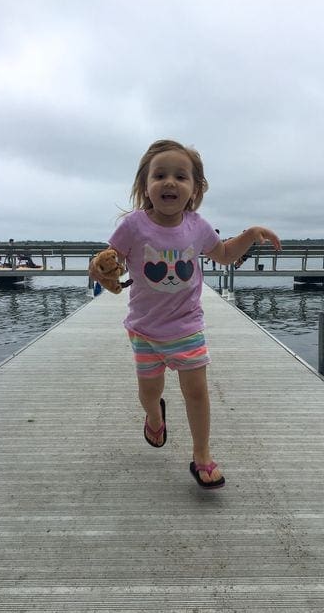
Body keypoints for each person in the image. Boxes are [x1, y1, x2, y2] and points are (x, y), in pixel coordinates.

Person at [90, 140, 281, 489]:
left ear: (195, 189)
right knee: (150, 391)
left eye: (181, 176)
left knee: (196, 390)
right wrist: (103, 268)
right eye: (159, 175)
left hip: (187, 325)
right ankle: (154, 416)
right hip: (145, 329)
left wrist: (250, 235)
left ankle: (202, 456)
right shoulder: (133, 226)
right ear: (145, 186)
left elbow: (223, 254)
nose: (169, 182)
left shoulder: (197, 227)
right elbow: (111, 259)